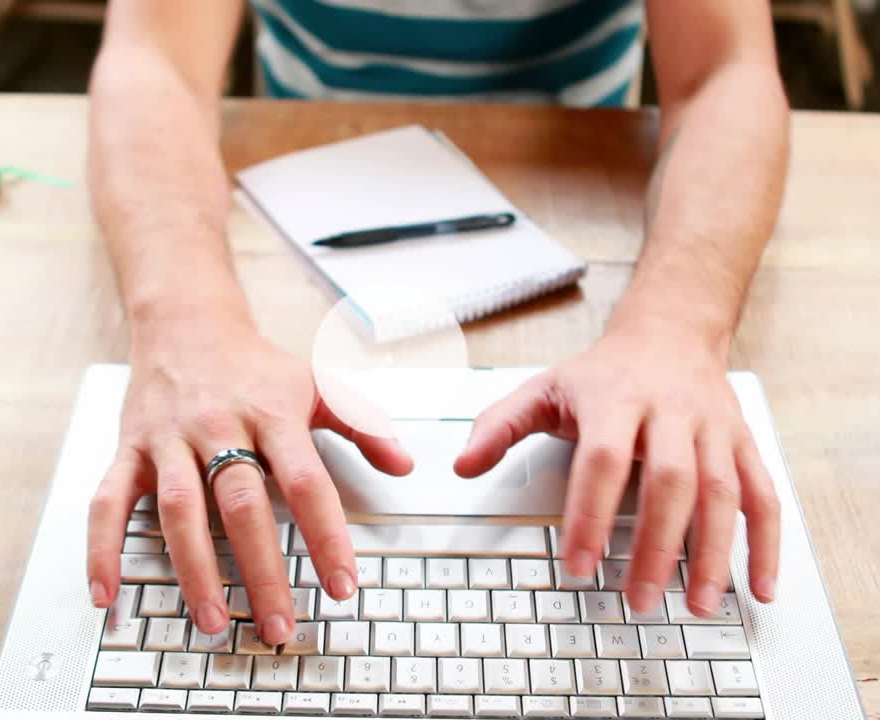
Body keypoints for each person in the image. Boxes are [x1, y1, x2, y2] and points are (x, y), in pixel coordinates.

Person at [85, 0, 787, 647]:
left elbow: (726, 71)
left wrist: (677, 328)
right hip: (303, 168)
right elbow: (155, 61)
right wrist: (184, 325)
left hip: (581, 171)